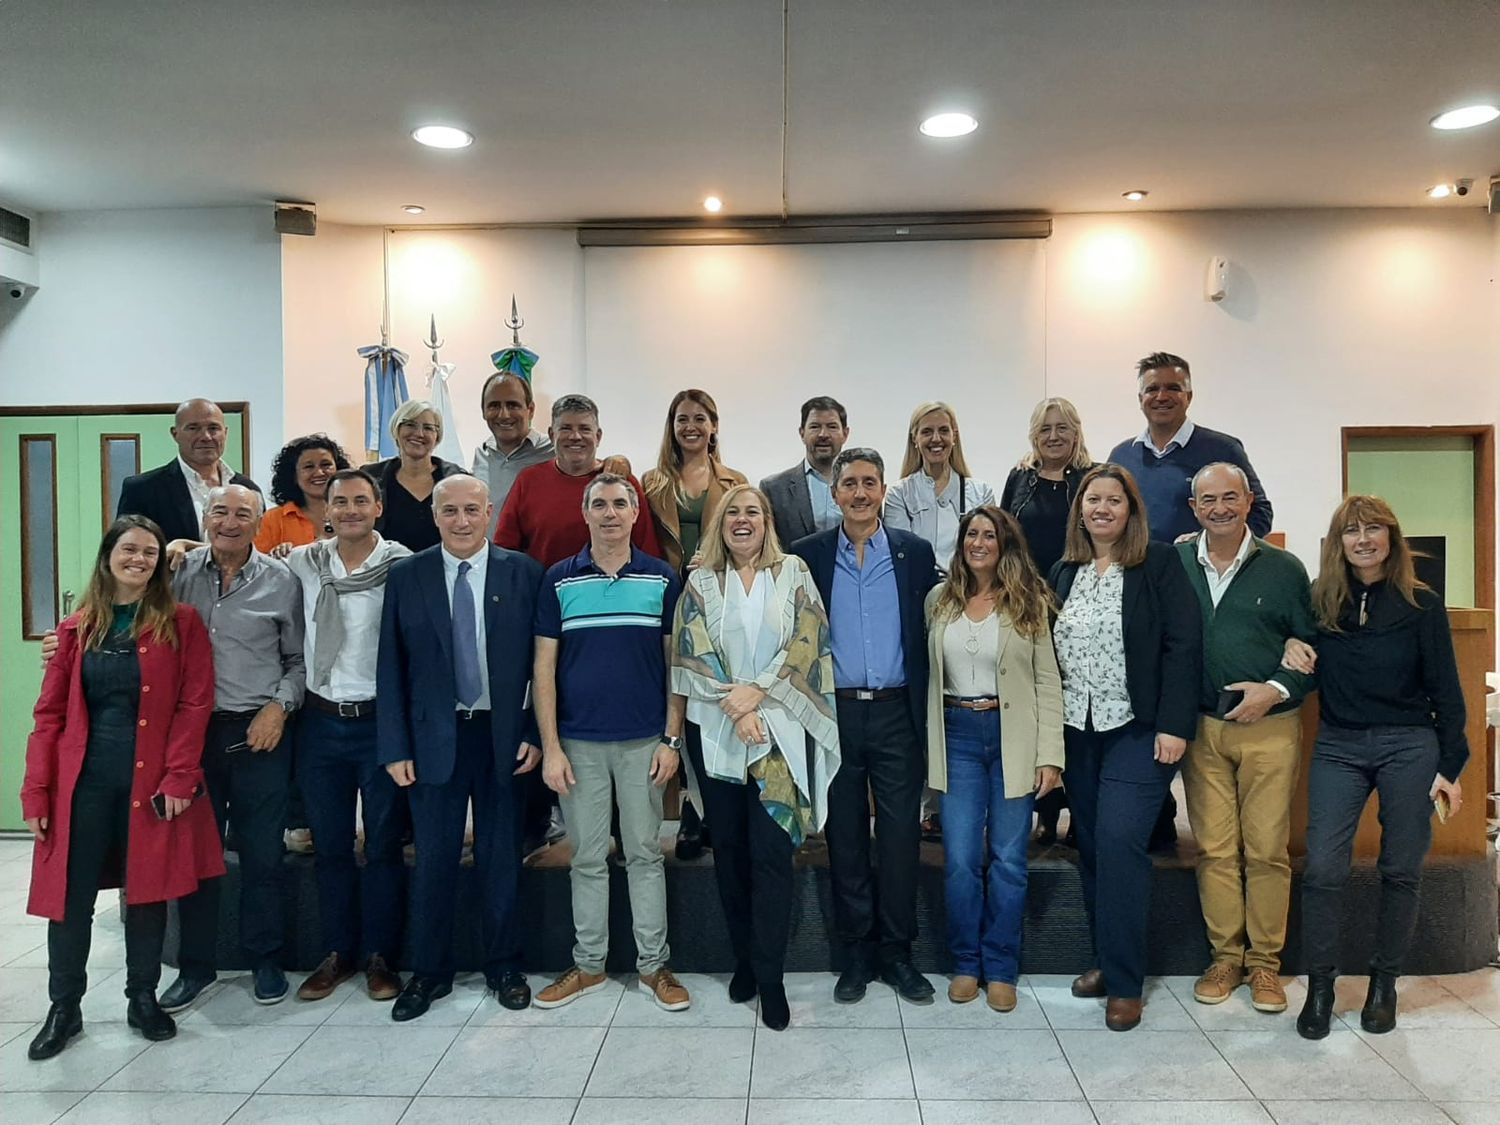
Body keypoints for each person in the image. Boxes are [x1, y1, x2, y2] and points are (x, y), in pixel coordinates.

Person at [21, 516, 223, 1060]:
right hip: (81, 785)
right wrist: (36, 792)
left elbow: (194, 703)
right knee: (70, 900)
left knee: (148, 894)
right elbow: (49, 715)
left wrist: (181, 774)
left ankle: (142, 998)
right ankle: (64, 1007)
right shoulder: (75, 627)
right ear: (108, 555)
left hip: (151, 783)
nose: (139, 559)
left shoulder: (182, 623)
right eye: (129, 549)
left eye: (150, 553)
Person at [1285, 495, 1467, 1040]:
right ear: (1337, 543)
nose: (1363, 539)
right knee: (1322, 868)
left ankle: (1383, 984)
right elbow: (1301, 657)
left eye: (1374, 529)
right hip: (1339, 744)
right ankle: (1320, 986)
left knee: (1400, 868)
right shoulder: (1322, 601)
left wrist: (1451, 765)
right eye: (1351, 531)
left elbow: (1447, 691)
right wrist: (1294, 645)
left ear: (1392, 536)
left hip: (1410, 745)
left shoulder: (1421, 603)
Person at [670, 484, 841, 1030]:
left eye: (753, 512)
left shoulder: (792, 573)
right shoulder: (700, 581)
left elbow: (808, 641)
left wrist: (758, 694)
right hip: (719, 732)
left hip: (779, 734)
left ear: (767, 522)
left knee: (771, 855)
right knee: (732, 853)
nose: (742, 521)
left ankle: (770, 975)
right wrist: (736, 705)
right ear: (719, 523)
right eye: (732, 513)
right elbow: (691, 649)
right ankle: (743, 958)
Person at [377, 474, 544, 1021]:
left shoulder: (524, 574)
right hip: (433, 740)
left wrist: (536, 735)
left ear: (490, 510)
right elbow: (391, 668)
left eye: (473, 509)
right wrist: (396, 746)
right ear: (435, 515)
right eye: (450, 511)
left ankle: (504, 965)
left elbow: (545, 668)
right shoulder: (407, 575)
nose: (463, 521)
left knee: (501, 859)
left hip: (503, 737)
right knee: (433, 861)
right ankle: (429, 971)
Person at [1048, 464, 1201, 1031]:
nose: (1103, 508)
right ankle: (1107, 962)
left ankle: (1127, 982)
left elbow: (1183, 646)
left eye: (1115, 500)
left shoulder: (1157, 563)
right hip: (1077, 731)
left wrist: (1174, 724)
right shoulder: (1066, 571)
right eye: (1094, 499)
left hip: (1140, 729)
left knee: (1119, 844)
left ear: (1131, 510)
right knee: (1090, 847)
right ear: (1080, 510)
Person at [532, 474, 690, 1012]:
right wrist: (550, 747)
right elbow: (544, 669)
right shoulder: (558, 580)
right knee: (588, 858)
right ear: (585, 512)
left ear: (633, 513)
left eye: (620, 503)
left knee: (645, 853)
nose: (609, 513)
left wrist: (672, 739)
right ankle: (589, 965)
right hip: (578, 746)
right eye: (598, 503)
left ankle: (655, 966)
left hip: (645, 742)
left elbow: (676, 667)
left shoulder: (662, 579)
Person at [789, 447, 940, 1004]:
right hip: (835, 712)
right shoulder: (806, 557)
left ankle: (896, 953)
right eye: (848, 483)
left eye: (869, 482)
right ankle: (855, 954)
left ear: (883, 491)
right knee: (846, 835)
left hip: (899, 711)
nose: (858, 492)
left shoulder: (914, 553)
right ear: (834, 493)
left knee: (900, 837)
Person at [157, 484, 306, 1011]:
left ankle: (265, 958)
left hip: (258, 732)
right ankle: (196, 965)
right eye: (220, 511)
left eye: (244, 513)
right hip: (189, 735)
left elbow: (297, 660)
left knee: (263, 853)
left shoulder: (282, 581)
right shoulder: (173, 573)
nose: (230, 522)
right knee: (195, 853)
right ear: (204, 516)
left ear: (259, 522)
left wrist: (279, 707)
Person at [1175, 463, 1316, 1015]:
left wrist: (1277, 688)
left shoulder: (1283, 569)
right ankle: (1225, 957)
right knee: (1213, 849)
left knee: (1265, 850)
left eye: (1229, 497)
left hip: (1270, 728)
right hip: (1203, 728)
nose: (1219, 508)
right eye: (1207, 500)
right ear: (1193, 508)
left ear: (1249, 499)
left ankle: (1264, 966)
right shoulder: (1177, 562)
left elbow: (1310, 646)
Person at [924, 506, 1063, 1013]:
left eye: (989, 535)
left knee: (1009, 859)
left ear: (1005, 544)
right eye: (971, 535)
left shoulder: (1028, 603)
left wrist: (1050, 754)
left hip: (1013, 736)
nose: (979, 543)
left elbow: (1048, 680)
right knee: (960, 859)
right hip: (958, 733)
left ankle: (1001, 965)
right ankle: (965, 962)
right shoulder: (938, 602)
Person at [283, 469, 411, 1003]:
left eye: (362, 500)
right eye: (341, 502)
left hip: (379, 722)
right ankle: (338, 953)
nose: (351, 509)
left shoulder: (402, 565)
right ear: (326, 509)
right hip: (320, 722)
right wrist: (180, 546)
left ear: (378, 507)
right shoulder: (303, 563)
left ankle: (381, 957)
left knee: (382, 845)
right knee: (331, 845)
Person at [642, 388, 748, 859]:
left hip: (716, 604)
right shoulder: (651, 482)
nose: (691, 427)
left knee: (710, 699)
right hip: (665, 600)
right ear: (672, 425)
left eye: (699, 418)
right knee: (675, 701)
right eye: (682, 418)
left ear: (714, 425)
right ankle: (688, 811)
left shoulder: (734, 481)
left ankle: (717, 809)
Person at [1106, 353, 1273, 542]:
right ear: (1140, 399)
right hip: (1135, 569)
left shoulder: (1224, 450)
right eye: (1152, 389)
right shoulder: (1121, 456)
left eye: (1173, 388)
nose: (1161, 396)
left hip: (1198, 570)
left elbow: (1260, 515)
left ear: (1189, 397)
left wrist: (1207, 543)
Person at [495, 393, 662, 566]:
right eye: (566, 428)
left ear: (598, 436)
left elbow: (647, 551)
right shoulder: (528, 481)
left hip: (615, 590)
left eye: (584, 429)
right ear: (552, 435)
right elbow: (505, 552)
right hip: (543, 590)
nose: (575, 436)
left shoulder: (620, 482)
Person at [116, 398, 259, 544]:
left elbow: (257, 547)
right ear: (175, 434)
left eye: (213, 428)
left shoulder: (248, 488)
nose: (206, 437)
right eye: (193, 428)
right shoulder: (141, 489)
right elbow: (131, 550)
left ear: (225, 432)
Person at [884, 401, 995, 568]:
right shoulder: (898, 495)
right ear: (915, 438)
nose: (936, 439)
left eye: (943, 430)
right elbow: (902, 554)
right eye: (927, 432)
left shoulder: (981, 493)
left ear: (954, 436)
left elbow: (987, 552)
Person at [1000, 397, 1097, 580]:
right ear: (1035, 436)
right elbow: (1003, 535)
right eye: (1045, 429)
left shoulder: (1094, 478)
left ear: (1075, 433)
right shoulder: (1019, 476)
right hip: (1025, 588)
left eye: (1062, 428)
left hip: (1078, 585)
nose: (1053, 436)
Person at [366, 398, 467, 553]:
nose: (419, 433)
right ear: (396, 430)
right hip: (385, 571)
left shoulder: (457, 479)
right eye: (410, 424)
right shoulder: (370, 478)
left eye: (428, 428)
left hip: (443, 570)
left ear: (437, 437)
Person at [760, 396, 850, 549]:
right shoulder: (774, 489)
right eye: (815, 427)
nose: (823, 434)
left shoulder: (864, 488)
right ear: (802, 433)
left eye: (832, 427)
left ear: (845, 434)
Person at [471, 371, 554, 536]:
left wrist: (617, 462)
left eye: (512, 405)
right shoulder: (482, 454)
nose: (503, 414)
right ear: (483, 411)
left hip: (541, 559)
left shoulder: (555, 451)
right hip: (494, 559)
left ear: (530, 410)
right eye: (494, 406)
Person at [255, 433, 351, 555]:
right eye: (309, 467)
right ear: (293, 476)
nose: (319, 472)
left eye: (326, 465)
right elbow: (257, 567)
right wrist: (277, 557)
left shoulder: (354, 513)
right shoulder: (273, 519)